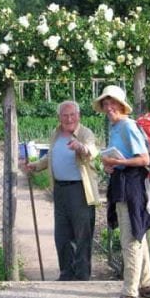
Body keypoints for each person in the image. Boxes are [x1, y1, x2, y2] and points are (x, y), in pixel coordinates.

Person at [92, 85, 150, 298]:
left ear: (121, 105)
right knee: (137, 234)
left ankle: (130, 296)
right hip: (123, 185)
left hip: (132, 189)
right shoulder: (115, 126)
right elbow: (123, 156)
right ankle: (146, 283)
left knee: (130, 239)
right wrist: (111, 165)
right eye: (105, 104)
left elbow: (143, 159)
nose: (109, 108)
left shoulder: (127, 125)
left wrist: (119, 163)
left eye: (113, 103)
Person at [26, 100, 100, 281]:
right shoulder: (56, 134)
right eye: (65, 115)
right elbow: (51, 157)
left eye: (72, 115)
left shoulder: (84, 134)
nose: (69, 119)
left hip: (79, 191)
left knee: (82, 235)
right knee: (62, 235)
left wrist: (80, 147)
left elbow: (91, 150)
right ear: (59, 117)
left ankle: (82, 276)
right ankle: (66, 274)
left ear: (78, 116)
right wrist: (35, 166)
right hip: (59, 190)